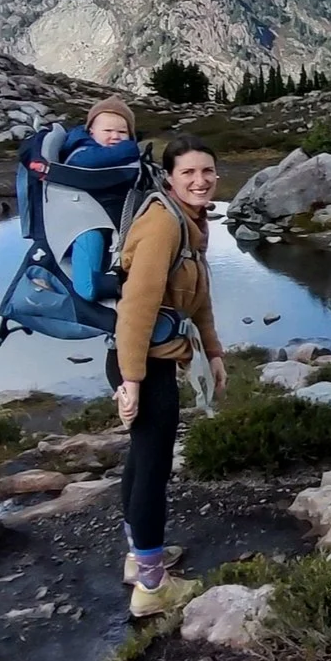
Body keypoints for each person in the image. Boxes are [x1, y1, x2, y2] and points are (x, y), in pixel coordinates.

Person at [107, 133, 227, 618]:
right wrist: (132, 380)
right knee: (154, 468)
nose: (200, 181)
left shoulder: (191, 222)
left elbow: (198, 297)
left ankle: (139, 562)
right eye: (189, 173)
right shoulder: (162, 224)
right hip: (141, 360)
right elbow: (136, 306)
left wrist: (213, 352)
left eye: (207, 171)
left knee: (142, 458)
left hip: (149, 357)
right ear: (169, 178)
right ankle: (154, 589)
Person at [60, 96, 140, 301]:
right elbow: (91, 162)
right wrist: (130, 147)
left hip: (105, 225)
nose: (115, 136)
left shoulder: (115, 157)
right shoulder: (81, 150)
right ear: (91, 131)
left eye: (122, 132)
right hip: (86, 226)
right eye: (108, 131)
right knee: (87, 288)